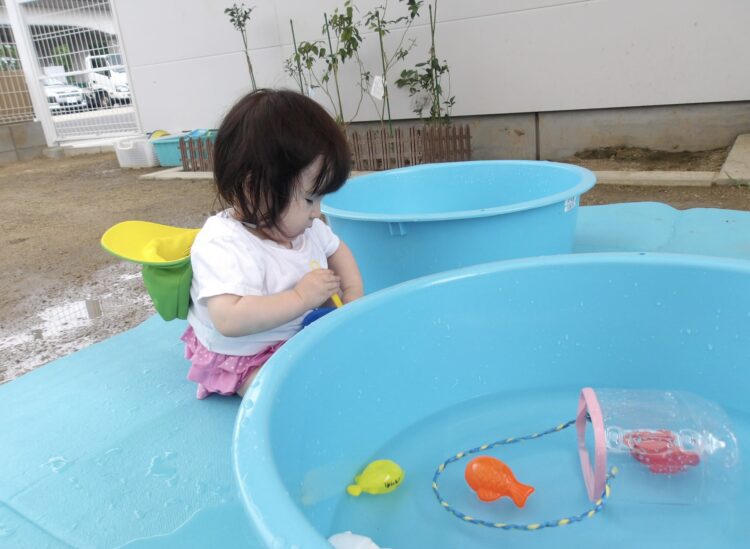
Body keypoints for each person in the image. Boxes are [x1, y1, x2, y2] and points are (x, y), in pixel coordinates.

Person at [181, 89, 364, 400]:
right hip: (245, 353)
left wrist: (352, 298)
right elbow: (228, 318)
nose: (317, 212)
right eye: (310, 199)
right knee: (273, 392)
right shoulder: (224, 244)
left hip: (296, 336)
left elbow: (338, 251)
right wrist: (300, 297)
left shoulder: (306, 228)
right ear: (256, 189)